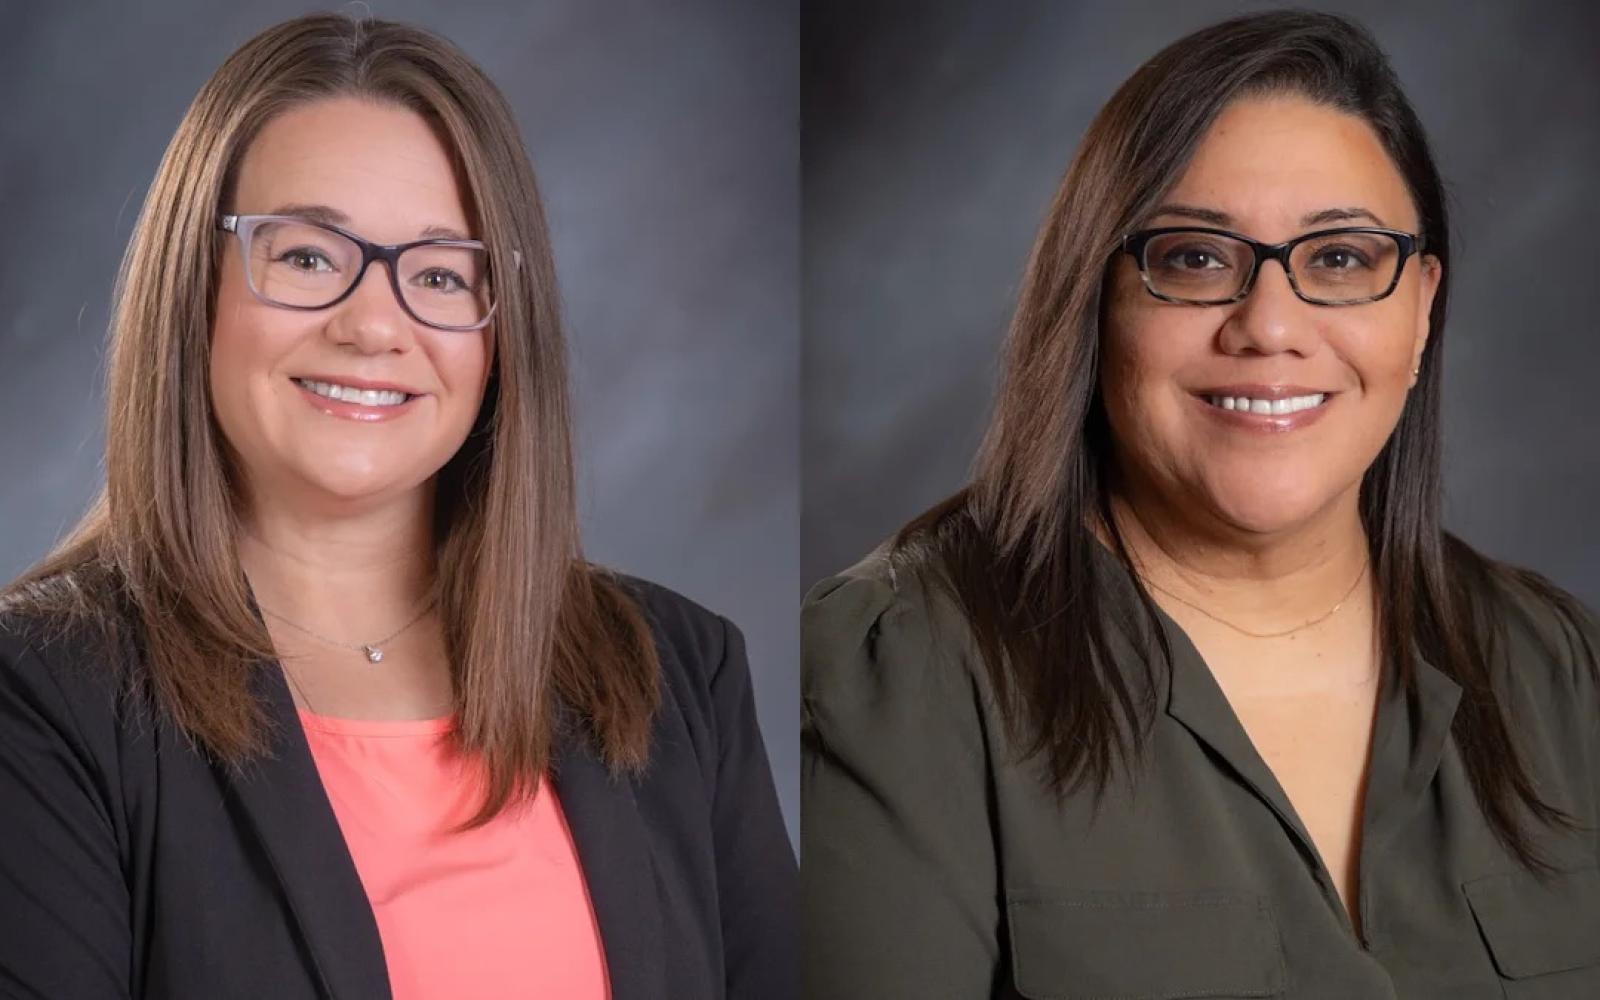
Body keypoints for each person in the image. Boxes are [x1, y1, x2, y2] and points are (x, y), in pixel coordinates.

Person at [802, 10, 1600, 998]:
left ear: (1423, 304)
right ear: (1097, 296)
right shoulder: (895, 674)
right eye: (1192, 257)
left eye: (1340, 259)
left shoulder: (1559, 670)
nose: (1269, 326)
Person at [0, 12, 794, 999]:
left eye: (438, 274)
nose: (373, 324)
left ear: (502, 332)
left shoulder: (679, 673)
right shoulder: (40, 696)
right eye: (304, 257)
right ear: (192, 288)